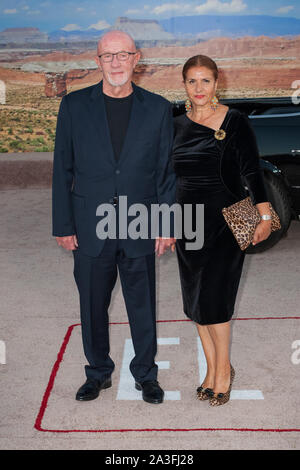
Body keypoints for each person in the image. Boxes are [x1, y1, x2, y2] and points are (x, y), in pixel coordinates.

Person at [52, 30, 176, 405]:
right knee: (91, 304)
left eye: (123, 55)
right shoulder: (74, 106)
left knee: (143, 304)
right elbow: (63, 170)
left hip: (140, 222)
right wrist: (63, 224)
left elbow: (165, 172)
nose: (116, 63)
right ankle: (98, 372)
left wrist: (167, 225)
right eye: (108, 56)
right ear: (98, 61)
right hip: (90, 225)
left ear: (136, 59)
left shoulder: (157, 108)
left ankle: (146, 375)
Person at [172, 55, 272, 406]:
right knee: (196, 301)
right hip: (187, 223)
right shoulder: (175, 124)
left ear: (217, 83)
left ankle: (223, 372)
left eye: (206, 81)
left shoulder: (235, 121)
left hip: (226, 221)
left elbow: (251, 172)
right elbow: (169, 178)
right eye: (192, 81)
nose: (199, 89)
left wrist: (263, 216)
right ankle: (213, 368)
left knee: (216, 299)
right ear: (183, 84)